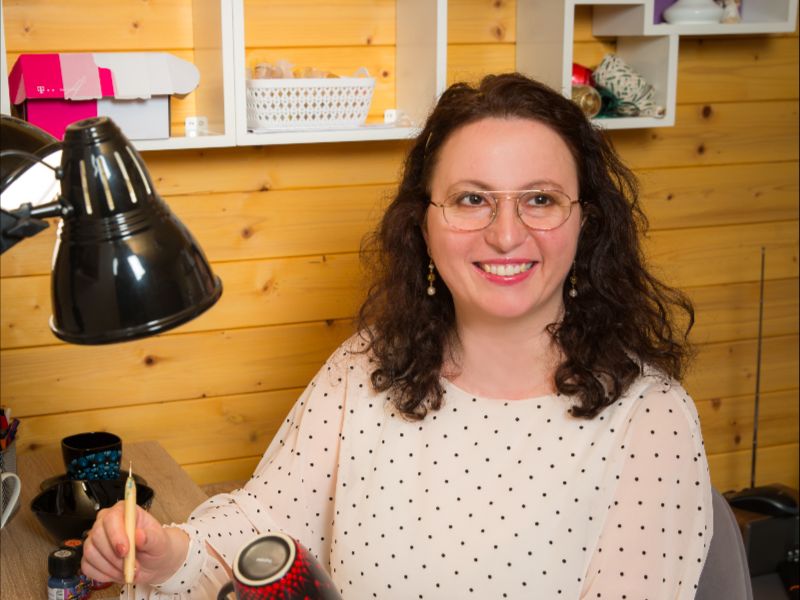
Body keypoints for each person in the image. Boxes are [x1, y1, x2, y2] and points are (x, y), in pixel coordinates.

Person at [82, 73, 713, 599]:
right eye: (472, 199)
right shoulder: (364, 366)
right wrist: (167, 553)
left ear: (586, 224)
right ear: (423, 227)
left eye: (540, 199)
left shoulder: (653, 419)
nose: (505, 234)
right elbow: (264, 529)